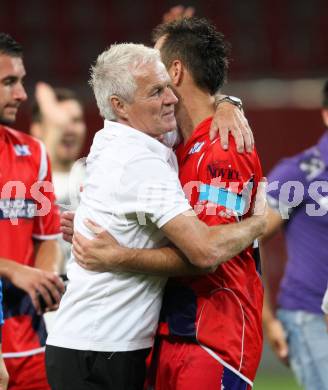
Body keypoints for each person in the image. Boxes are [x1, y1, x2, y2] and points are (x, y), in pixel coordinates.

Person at [45, 42, 266, 390]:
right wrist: (260, 221)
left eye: (167, 85)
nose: (171, 98)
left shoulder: (129, 137)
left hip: (102, 345)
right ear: (120, 105)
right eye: (156, 92)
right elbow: (204, 252)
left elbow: (193, 111)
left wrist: (227, 103)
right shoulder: (140, 162)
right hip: (98, 352)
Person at [0, 33, 64, 390]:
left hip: (30, 347)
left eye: (21, 81)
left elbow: (48, 236)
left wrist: (43, 279)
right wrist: (14, 271)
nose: (21, 94)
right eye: (9, 82)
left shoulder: (34, 154)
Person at [262, 79, 328, 390]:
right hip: (310, 316)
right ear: (326, 115)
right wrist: (267, 318)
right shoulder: (300, 173)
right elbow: (246, 243)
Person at [30, 83, 87, 273]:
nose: (68, 129)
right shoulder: (21, 184)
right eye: (59, 122)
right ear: (36, 129)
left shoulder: (100, 179)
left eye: (75, 120)